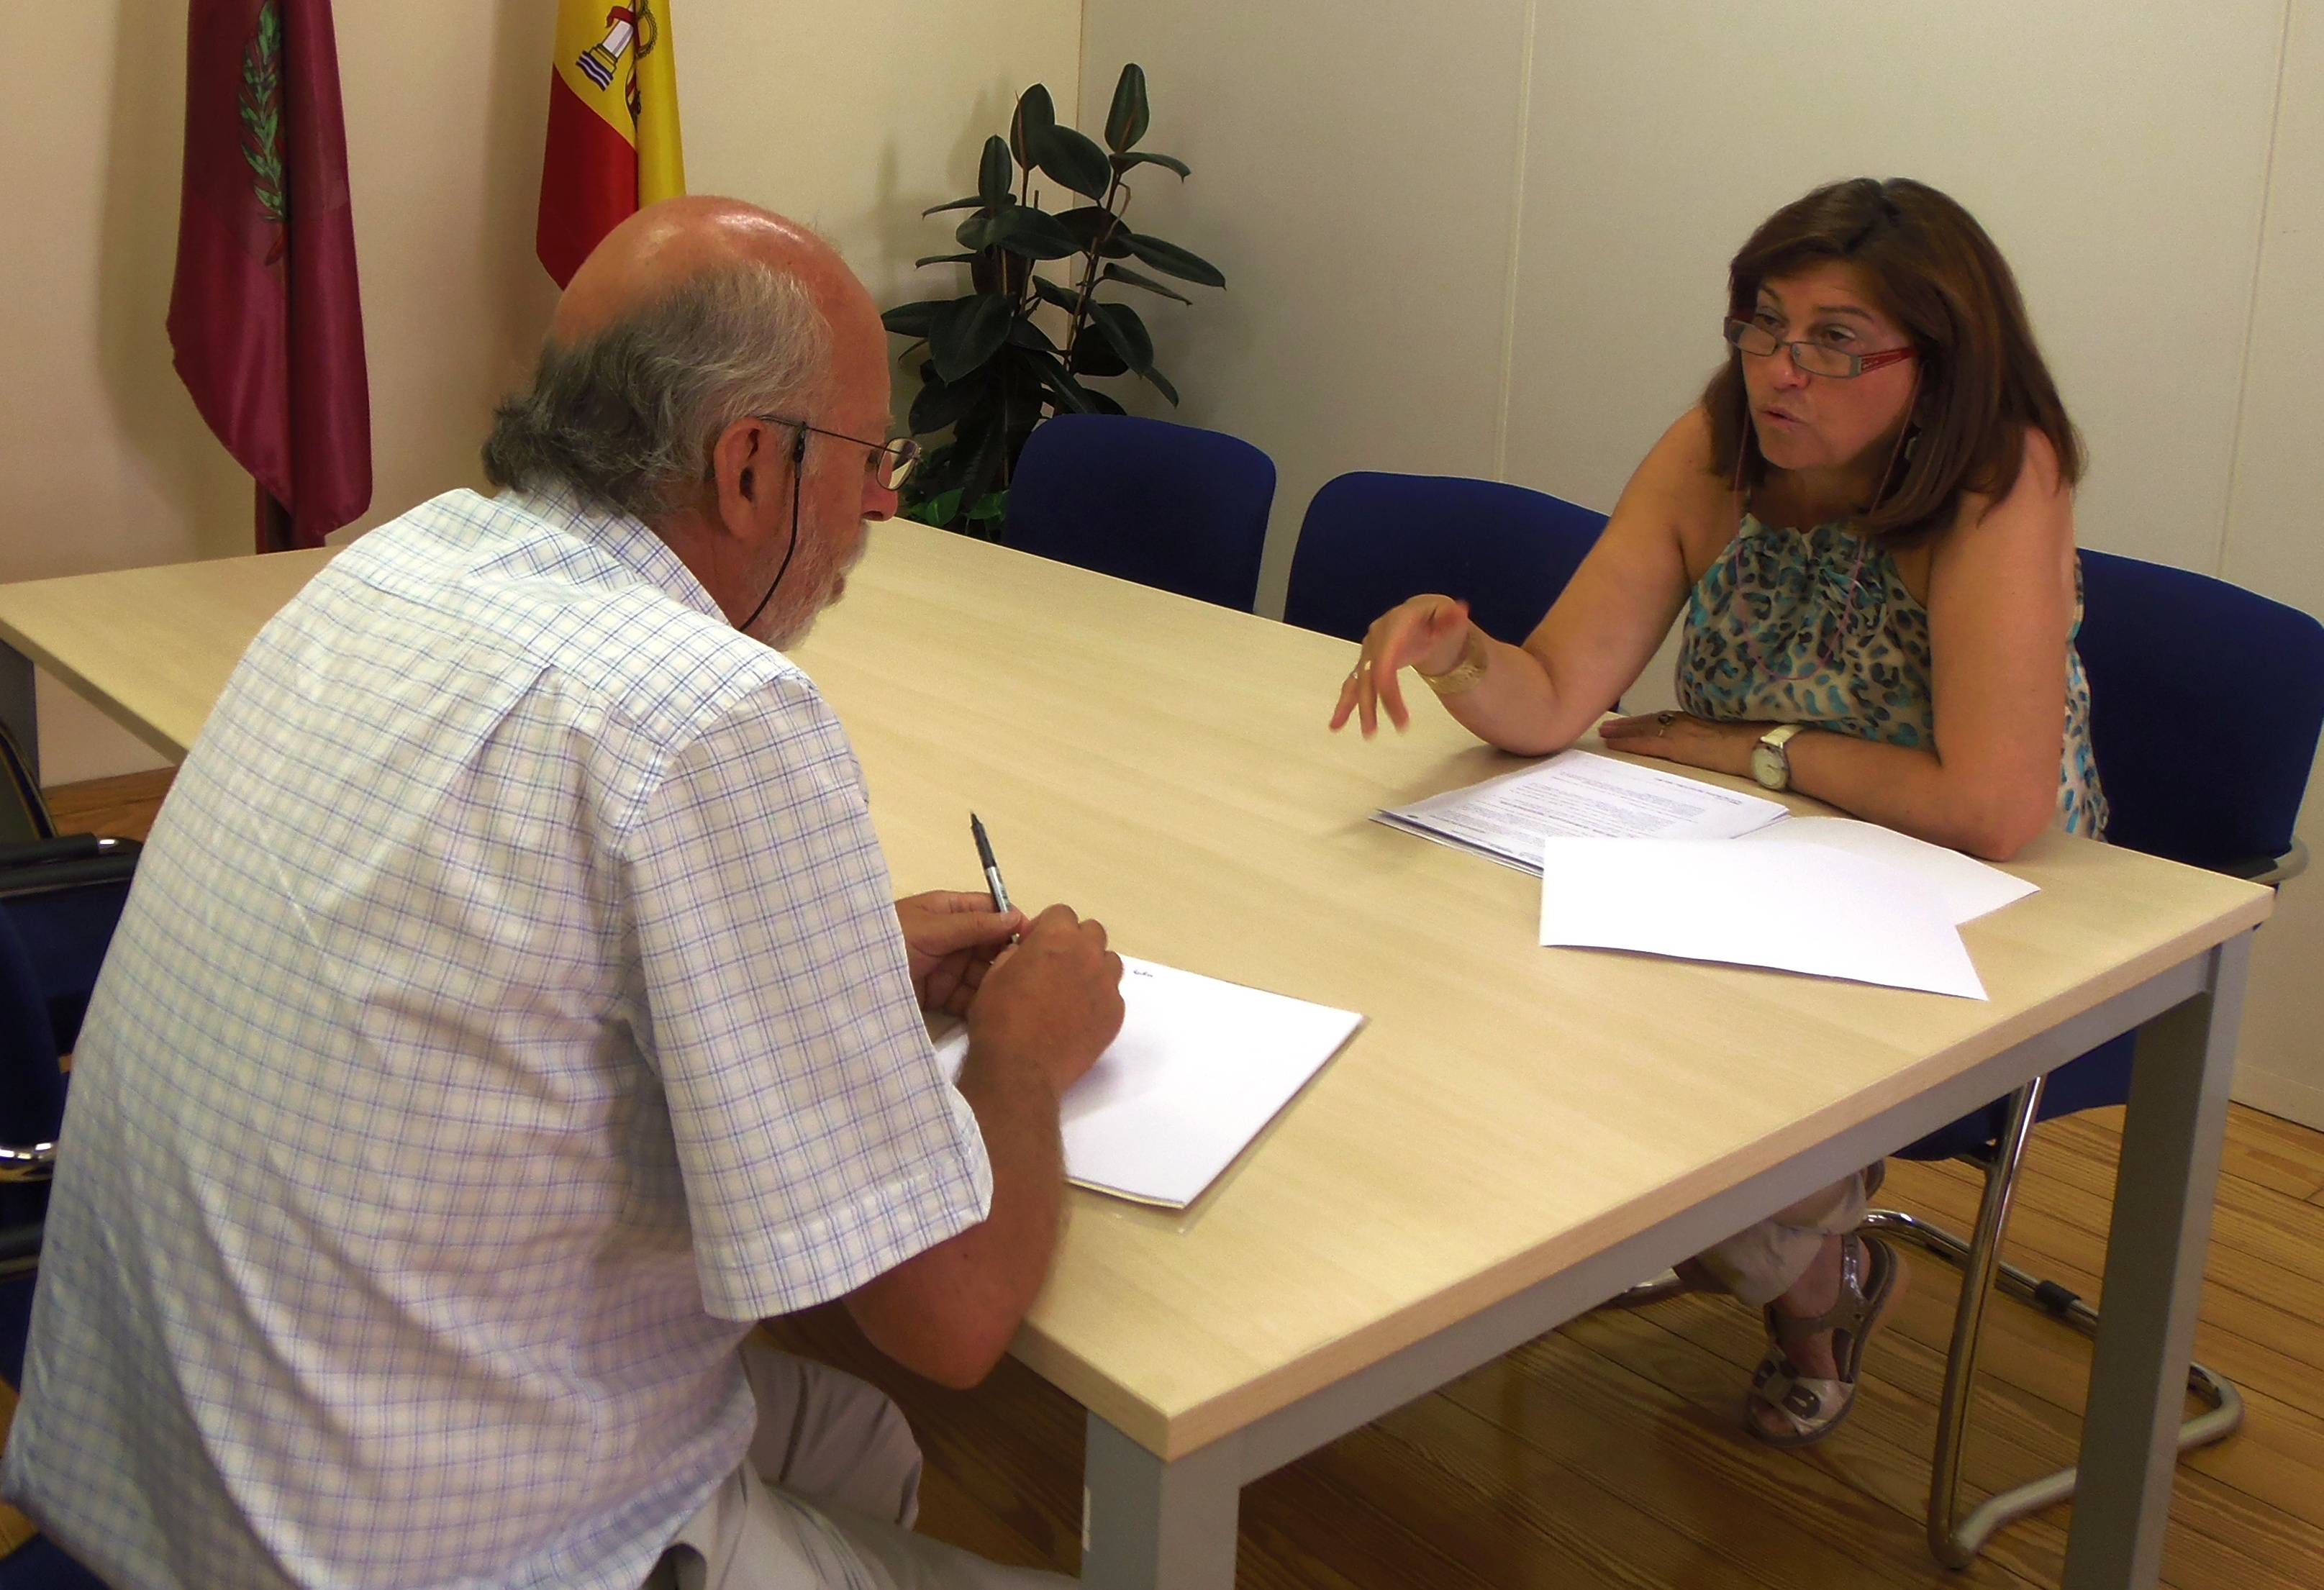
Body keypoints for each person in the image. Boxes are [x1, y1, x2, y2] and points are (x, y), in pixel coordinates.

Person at [3, 196, 1125, 1589]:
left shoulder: (392, 566)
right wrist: (1021, 1053)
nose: (887, 500)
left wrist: (825, 964)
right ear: (749, 466)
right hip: (399, 1549)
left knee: (850, 1437)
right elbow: (950, 1317)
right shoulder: (711, 711)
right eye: (870, 456)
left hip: (161, 1476)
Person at [1327, 177, 2100, 1446]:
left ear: (1938, 362)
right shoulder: (1715, 448)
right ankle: (1806, 1266)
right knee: (1528, 1008)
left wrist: (1754, 751)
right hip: (1739, 850)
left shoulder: (1996, 476)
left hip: (1972, 904)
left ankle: (1808, 1277)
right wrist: (1461, 654)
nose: (1780, 370)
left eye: (1834, 341)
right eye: (1762, 325)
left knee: (1684, 1099)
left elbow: (1987, 804)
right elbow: (1558, 693)